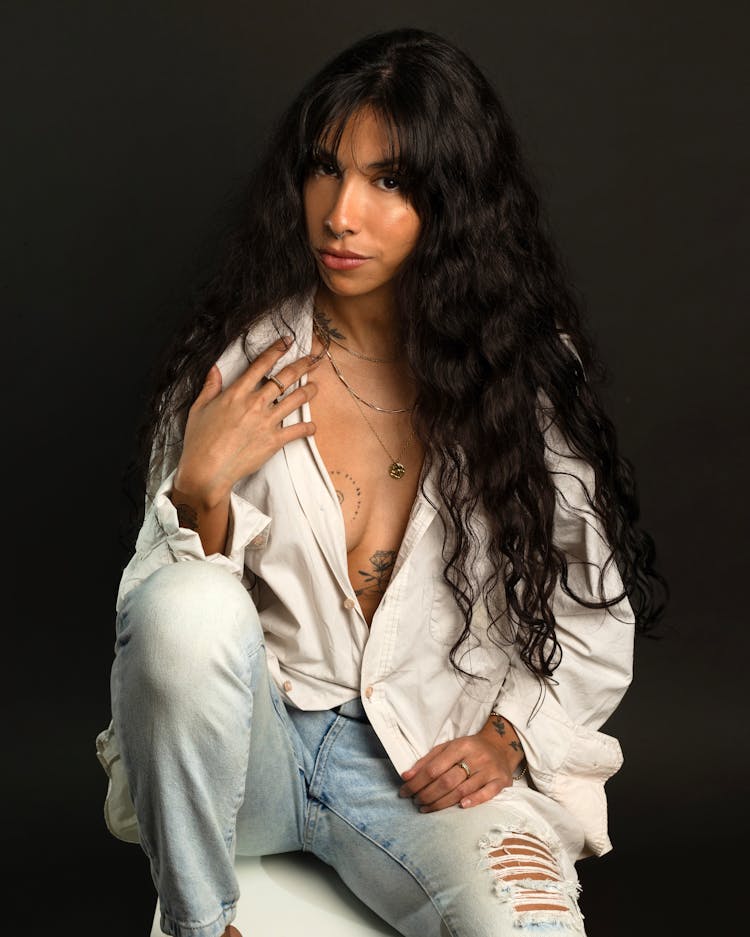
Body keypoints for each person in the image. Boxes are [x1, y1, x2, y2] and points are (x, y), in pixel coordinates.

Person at [96, 27, 666, 937]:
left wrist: (509, 734)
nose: (340, 214)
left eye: (389, 181)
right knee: (184, 604)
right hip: (256, 758)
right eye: (326, 169)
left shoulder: (521, 382)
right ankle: (205, 925)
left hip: (417, 769)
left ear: (454, 200)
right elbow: (162, 647)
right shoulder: (241, 369)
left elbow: (595, 610)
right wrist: (201, 486)